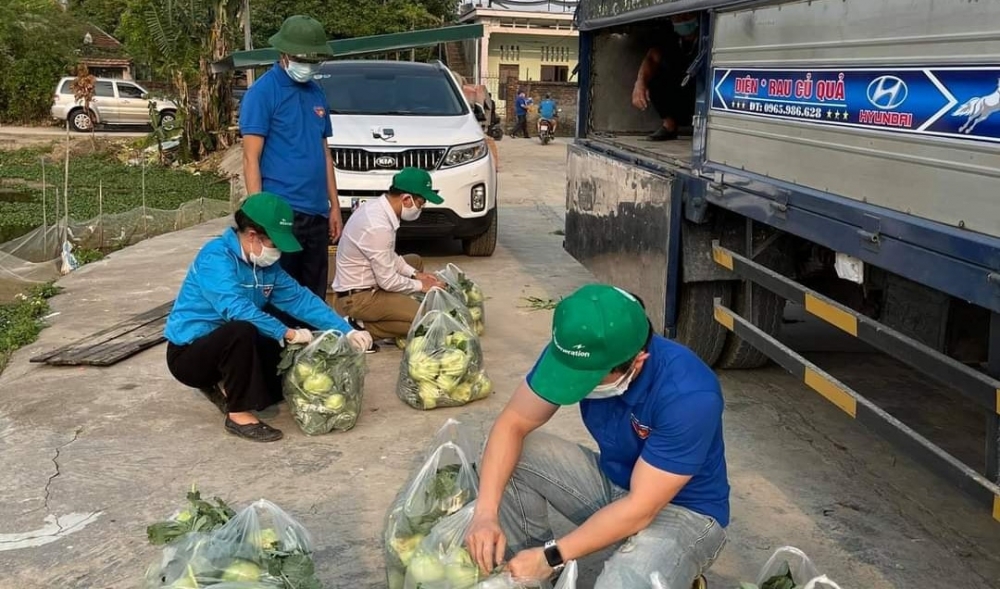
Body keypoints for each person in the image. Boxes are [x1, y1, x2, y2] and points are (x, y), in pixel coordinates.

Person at [463, 284, 730, 589]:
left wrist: (552, 556)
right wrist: (484, 514)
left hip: (684, 512)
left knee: (620, 583)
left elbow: (641, 509)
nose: (575, 384)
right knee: (514, 454)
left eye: (588, 379)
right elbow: (511, 424)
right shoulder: (575, 352)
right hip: (618, 484)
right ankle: (525, 577)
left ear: (637, 361)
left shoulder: (689, 394)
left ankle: (673, 570)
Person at [164, 192, 373, 443]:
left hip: (232, 349)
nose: (278, 253)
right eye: (275, 243)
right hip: (190, 354)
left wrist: (346, 330)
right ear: (253, 235)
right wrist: (287, 332)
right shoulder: (215, 257)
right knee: (243, 329)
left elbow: (300, 299)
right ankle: (237, 415)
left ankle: (225, 384)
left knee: (273, 391)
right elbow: (235, 308)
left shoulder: (266, 267)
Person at [240, 15, 343, 299]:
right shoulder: (262, 93)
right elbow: (251, 158)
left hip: (316, 213)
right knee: (280, 296)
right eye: (303, 58)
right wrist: (259, 217)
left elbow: (324, 153)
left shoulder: (316, 94)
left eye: (314, 60)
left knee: (314, 295)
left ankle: (313, 344)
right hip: (281, 215)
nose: (307, 65)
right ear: (284, 54)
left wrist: (334, 206)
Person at [332, 168, 446, 346]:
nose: (422, 208)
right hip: (358, 297)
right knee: (426, 320)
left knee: (414, 261)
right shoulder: (378, 226)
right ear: (406, 199)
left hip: (370, 283)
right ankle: (359, 327)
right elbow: (388, 281)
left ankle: (395, 309)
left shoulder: (378, 208)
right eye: (421, 203)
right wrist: (421, 286)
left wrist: (415, 274)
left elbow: (388, 256)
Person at [632, 13, 701, 141]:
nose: (682, 21)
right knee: (654, 80)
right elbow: (652, 58)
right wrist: (640, 82)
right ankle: (669, 126)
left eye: (686, 17)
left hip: (701, 92)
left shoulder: (707, 33)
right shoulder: (668, 36)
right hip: (679, 93)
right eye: (677, 18)